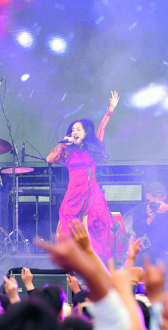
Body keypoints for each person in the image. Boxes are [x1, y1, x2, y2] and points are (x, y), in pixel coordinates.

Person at [47, 91, 120, 261]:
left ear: (86, 133)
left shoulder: (92, 149)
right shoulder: (67, 152)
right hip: (73, 195)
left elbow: (102, 128)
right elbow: (49, 159)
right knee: (70, 229)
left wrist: (110, 110)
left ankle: (93, 260)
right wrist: (62, 144)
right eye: (73, 130)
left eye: (78, 129)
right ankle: (75, 260)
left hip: (91, 193)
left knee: (94, 227)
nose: (74, 132)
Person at [132, 182, 168, 261]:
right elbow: (136, 229)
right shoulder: (140, 208)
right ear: (148, 196)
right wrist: (150, 219)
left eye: (160, 196)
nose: (157, 200)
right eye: (154, 196)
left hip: (165, 251)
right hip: (145, 252)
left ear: (165, 196)